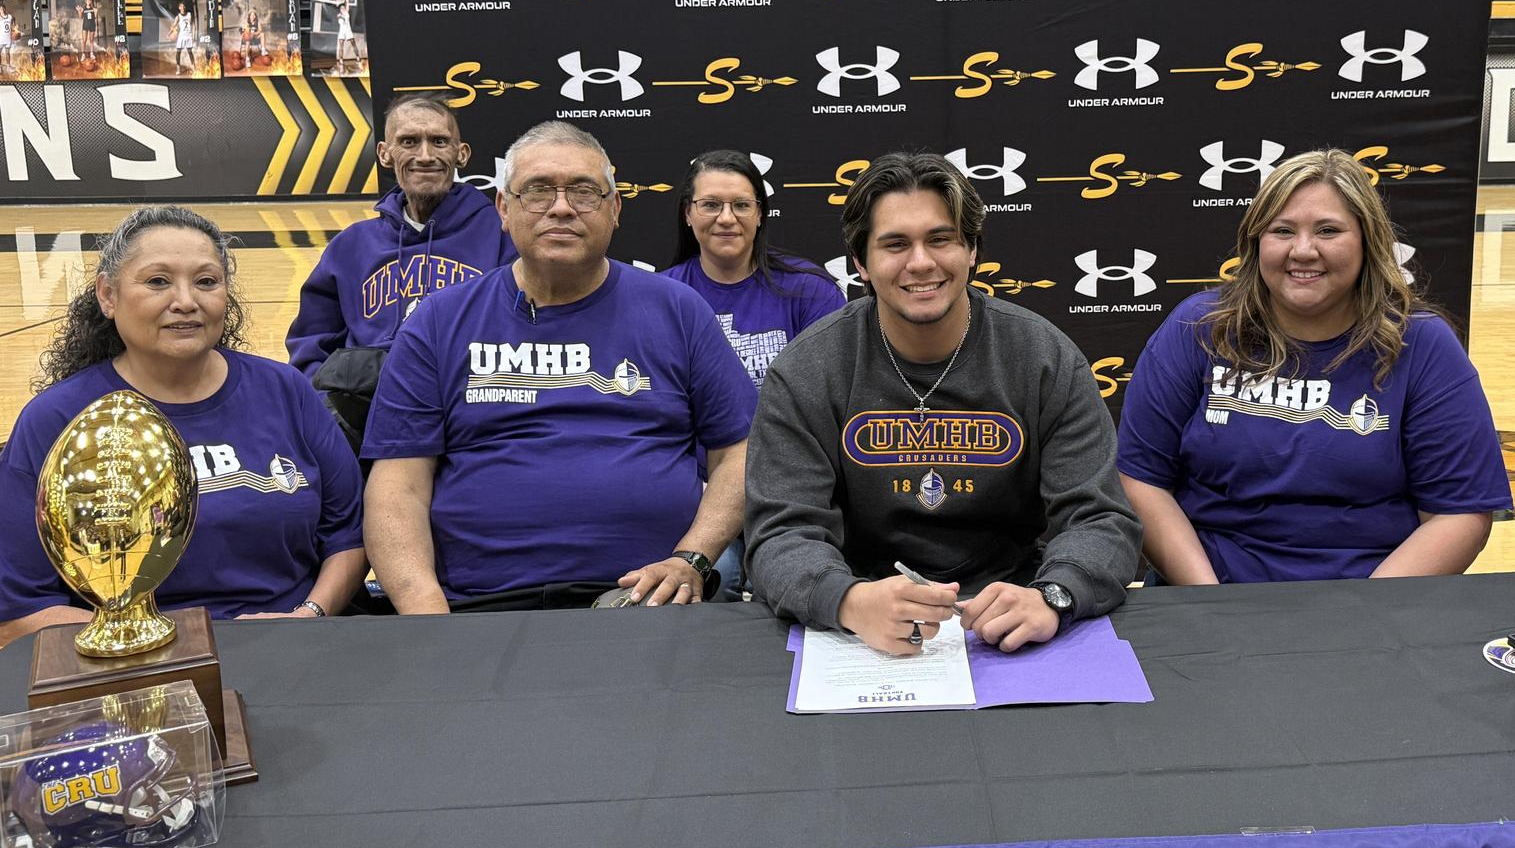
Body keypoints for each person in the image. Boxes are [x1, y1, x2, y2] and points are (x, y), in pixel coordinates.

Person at [745, 152, 1142, 656]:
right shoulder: (808, 369)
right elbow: (780, 532)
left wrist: (1055, 595)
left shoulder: (1044, 358)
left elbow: (1102, 519)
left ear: (971, 250)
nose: (921, 263)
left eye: (941, 239)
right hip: (863, 622)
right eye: (895, 244)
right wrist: (845, 599)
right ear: (860, 263)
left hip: (1015, 614)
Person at [361, 121, 759, 612]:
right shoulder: (438, 321)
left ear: (615, 209)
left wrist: (691, 559)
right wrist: (426, 613)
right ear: (504, 209)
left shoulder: (678, 310)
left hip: (650, 603)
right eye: (537, 191)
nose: (562, 207)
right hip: (479, 608)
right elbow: (398, 486)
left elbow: (740, 452)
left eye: (584, 192)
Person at [1116, 147, 1509, 585]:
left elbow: (1458, 514)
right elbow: (1141, 480)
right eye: (1282, 230)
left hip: (1372, 597)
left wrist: (1361, 614)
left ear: (1367, 241)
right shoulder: (1198, 327)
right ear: (1256, 242)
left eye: (1328, 230)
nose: (1303, 251)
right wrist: (1210, 600)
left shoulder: (1422, 344)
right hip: (1208, 591)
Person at [0, 206, 366, 648]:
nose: (186, 301)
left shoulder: (286, 389)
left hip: (293, 645)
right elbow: (20, 611)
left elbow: (348, 535)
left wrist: (310, 614)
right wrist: (186, 645)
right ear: (108, 295)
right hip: (137, 662)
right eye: (158, 281)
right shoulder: (55, 421)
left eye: (206, 281)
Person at [660, 149, 844, 597]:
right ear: (688, 214)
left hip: (791, 488)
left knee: (793, 584)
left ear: (761, 214)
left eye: (741, 205)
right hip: (701, 495)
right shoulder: (663, 296)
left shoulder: (809, 291)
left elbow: (831, 404)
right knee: (709, 580)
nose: (727, 218)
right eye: (710, 204)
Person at [286, 93, 514, 384]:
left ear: (462, 154)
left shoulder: (502, 235)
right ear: (385, 153)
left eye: (439, 141)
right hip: (367, 400)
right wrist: (321, 399)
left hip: (466, 393)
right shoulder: (350, 247)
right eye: (409, 142)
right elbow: (311, 344)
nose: (425, 156)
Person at [171, 0, 196, 73]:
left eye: (183, 6)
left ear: (185, 7)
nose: (183, 7)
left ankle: (193, 67)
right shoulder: (178, 16)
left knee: (190, 52)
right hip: (181, 36)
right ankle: (178, 68)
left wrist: (193, 35)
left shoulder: (189, 14)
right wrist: (169, 33)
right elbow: (173, 25)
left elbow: (193, 25)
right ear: (179, 8)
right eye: (181, 6)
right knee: (178, 52)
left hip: (188, 36)